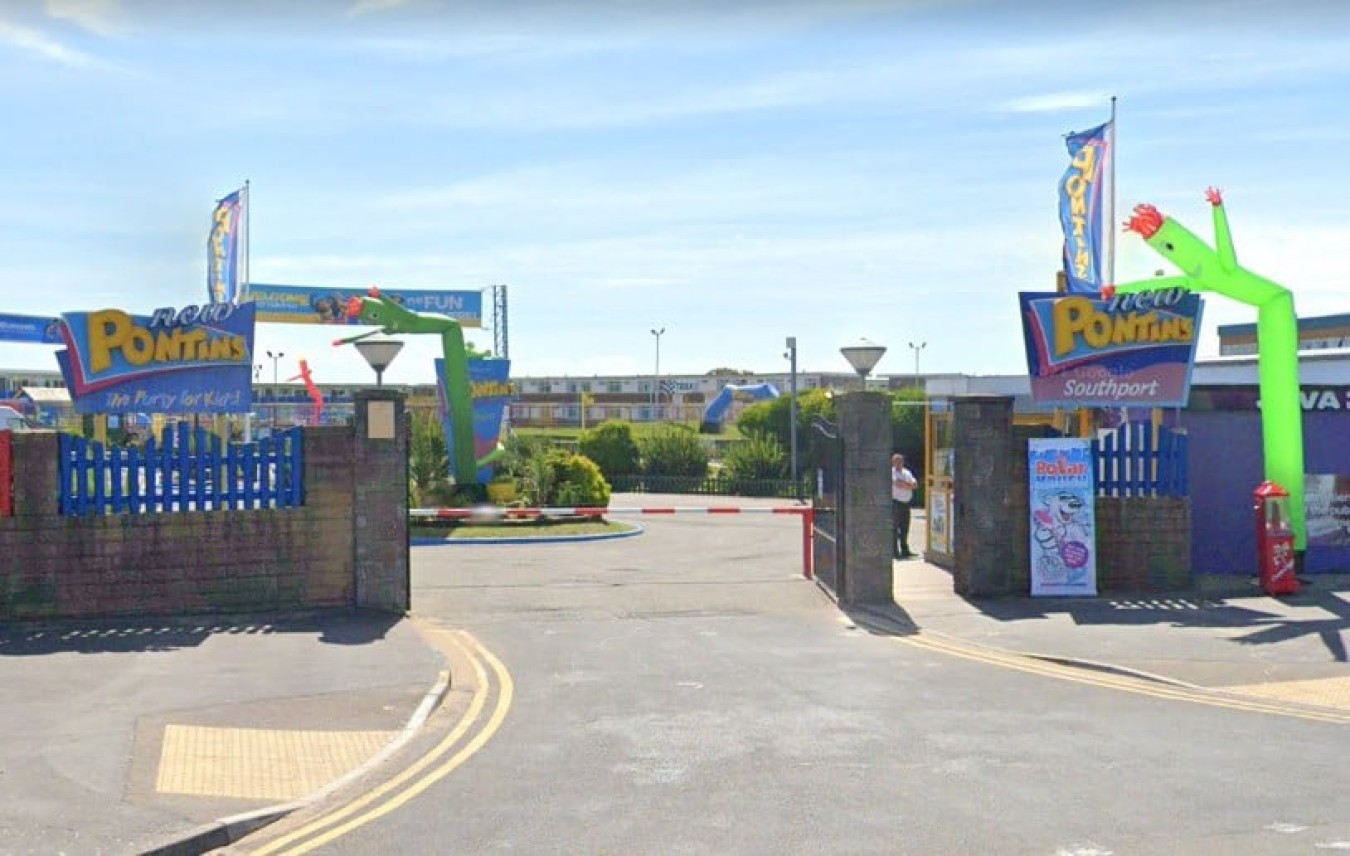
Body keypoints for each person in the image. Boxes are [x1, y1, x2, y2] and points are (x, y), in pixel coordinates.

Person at [892, 452, 918, 559]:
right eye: (897, 461)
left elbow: (915, 485)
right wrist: (908, 485)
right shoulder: (891, 472)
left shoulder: (907, 472)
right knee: (894, 528)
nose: (899, 463)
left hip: (906, 504)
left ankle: (905, 550)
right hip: (896, 503)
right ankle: (894, 552)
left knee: (905, 527)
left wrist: (906, 485)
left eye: (901, 461)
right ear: (893, 462)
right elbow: (897, 483)